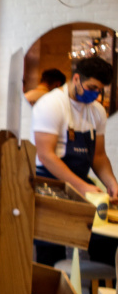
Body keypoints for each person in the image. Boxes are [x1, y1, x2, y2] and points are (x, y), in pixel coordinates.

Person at [31, 56, 118, 265]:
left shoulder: (97, 111)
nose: (95, 94)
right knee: (50, 252)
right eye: (92, 87)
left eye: (100, 90)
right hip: (49, 185)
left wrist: (111, 183)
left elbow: (98, 156)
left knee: (104, 242)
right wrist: (82, 186)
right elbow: (46, 155)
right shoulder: (51, 105)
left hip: (79, 185)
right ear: (76, 79)